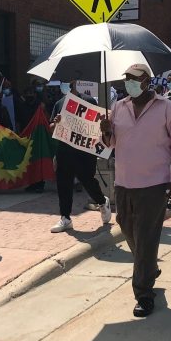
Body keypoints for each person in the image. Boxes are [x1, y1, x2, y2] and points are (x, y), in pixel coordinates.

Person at [100, 63, 171, 317]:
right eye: (126, 78)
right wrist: (105, 132)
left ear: (147, 82)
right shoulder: (119, 107)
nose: (128, 82)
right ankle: (148, 268)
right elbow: (111, 143)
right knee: (127, 228)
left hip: (155, 184)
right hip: (124, 183)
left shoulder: (166, 108)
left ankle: (144, 293)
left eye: (133, 79)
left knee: (147, 238)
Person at [49, 81, 111, 233]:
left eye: (69, 83)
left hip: (84, 152)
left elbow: (96, 128)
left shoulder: (88, 101)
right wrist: (55, 124)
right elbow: (51, 129)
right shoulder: (59, 103)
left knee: (88, 181)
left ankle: (102, 202)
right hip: (64, 151)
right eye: (63, 83)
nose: (66, 86)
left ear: (75, 84)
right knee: (63, 185)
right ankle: (65, 218)